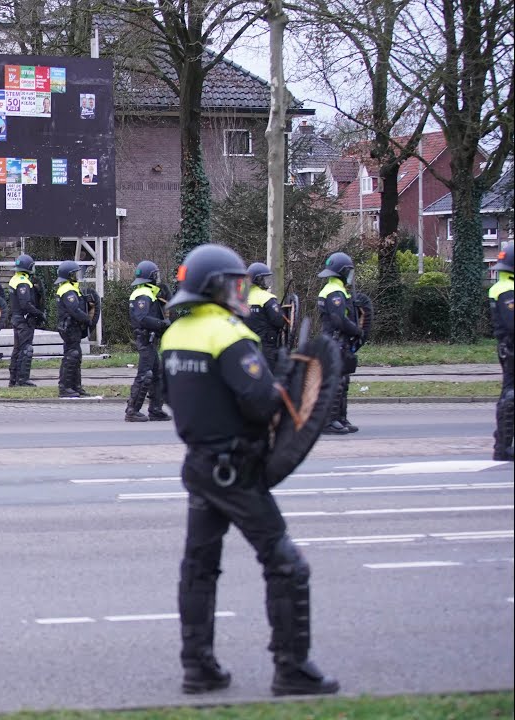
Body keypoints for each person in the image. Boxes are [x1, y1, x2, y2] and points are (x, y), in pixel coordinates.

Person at [159, 243, 340, 698]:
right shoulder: (229, 335)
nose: (242, 292)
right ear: (215, 287)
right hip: (237, 471)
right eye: (235, 283)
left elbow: (171, 398)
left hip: (199, 466)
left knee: (199, 569)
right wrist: (281, 383)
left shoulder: (174, 335)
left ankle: (197, 668)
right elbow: (261, 406)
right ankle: (292, 669)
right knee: (286, 566)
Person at [316, 252, 362, 434]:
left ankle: (341, 418)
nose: (351, 274)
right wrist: (357, 331)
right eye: (349, 271)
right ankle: (329, 421)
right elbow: (339, 321)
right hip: (334, 342)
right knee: (335, 383)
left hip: (337, 341)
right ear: (342, 271)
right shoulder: (334, 292)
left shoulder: (336, 289)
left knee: (343, 381)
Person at [126, 260, 172, 422]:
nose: (158, 277)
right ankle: (132, 410)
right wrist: (162, 324)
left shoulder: (149, 293)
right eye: (156, 274)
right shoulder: (142, 295)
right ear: (150, 276)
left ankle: (155, 409)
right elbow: (143, 318)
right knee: (145, 375)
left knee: (157, 374)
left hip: (151, 339)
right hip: (145, 338)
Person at [489, 241, 514, 461]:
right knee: (510, 396)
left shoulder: (503, 287)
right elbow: (512, 324)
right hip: (512, 349)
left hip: (508, 348)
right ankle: (503, 447)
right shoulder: (508, 291)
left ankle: (503, 443)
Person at [54, 260, 91, 398]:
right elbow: (74, 309)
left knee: (76, 356)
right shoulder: (67, 290)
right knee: (71, 356)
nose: (77, 275)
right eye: (75, 273)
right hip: (69, 328)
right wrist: (87, 319)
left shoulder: (71, 288)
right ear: (69, 275)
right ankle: (65, 387)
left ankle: (76, 386)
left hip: (72, 327)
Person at [8, 253, 43, 387]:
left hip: (17, 319)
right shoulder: (23, 282)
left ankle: (13, 379)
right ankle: (23, 379)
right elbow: (26, 304)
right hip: (24, 320)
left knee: (17, 349)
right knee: (26, 349)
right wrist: (39, 314)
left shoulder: (15, 279)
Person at [246, 262, 287, 373]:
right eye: (265, 278)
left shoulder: (243, 298)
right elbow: (279, 321)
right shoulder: (267, 298)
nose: (267, 282)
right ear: (258, 280)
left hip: (247, 346)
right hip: (266, 346)